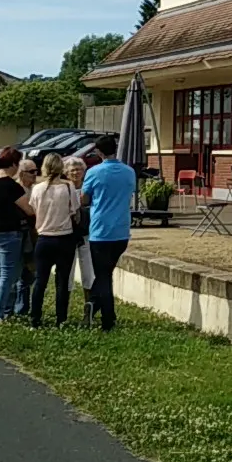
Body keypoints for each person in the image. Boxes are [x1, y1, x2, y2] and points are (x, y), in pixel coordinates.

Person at [81, 134, 136, 332]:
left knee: (102, 275)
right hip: (121, 231)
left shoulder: (93, 172)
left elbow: (85, 199)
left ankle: (106, 317)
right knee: (107, 273)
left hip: (100, 231)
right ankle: (99, 308)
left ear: (98, 152)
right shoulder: (129, 172)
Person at [20, 152, 80, 326]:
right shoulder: (68, 187)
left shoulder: (37, 189)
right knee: (62, 281)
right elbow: (74, 213)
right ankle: (61, 318)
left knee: (40, 281)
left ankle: (35, 317)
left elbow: (33, 210)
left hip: (44, 238)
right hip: (64, 238)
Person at [0, 147, 28, 321]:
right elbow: (28, 209)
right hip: (8, 232)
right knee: (7, 275)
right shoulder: (11, 186)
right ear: (14, 164)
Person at [64, 156, 97, 324]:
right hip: (68, 236)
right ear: (66, 172)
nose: (76, 173)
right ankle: (64, 310)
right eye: (72, 170)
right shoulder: (63, 189)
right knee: (67, 273)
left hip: (86, 235)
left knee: (88, 273)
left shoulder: (88, 189)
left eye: (79, 170)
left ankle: (88, 311)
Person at [15, 157, 39, 317]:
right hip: (20, 233)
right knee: (20, 272)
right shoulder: (16, 189)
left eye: (37, 171)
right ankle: (18, 308)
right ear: (22, 173)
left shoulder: (36, 189)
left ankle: (23, 306)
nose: (35, 175)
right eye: (32, 172)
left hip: (34, 235)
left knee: (30, 273)